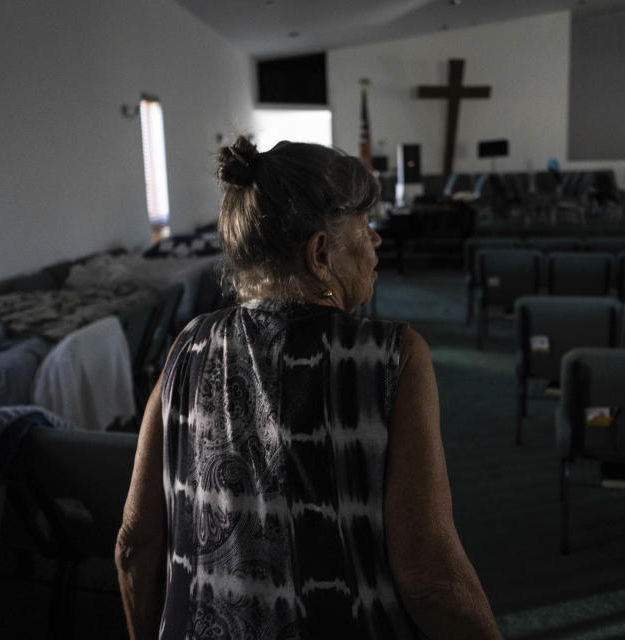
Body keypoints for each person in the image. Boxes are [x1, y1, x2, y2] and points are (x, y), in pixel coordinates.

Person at [115, 136, 501, 640]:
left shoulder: (186, 347)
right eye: (363, 225)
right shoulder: (392, 357)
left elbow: (134, 543)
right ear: (320, 254)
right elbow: (429, 577)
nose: (376, 240)